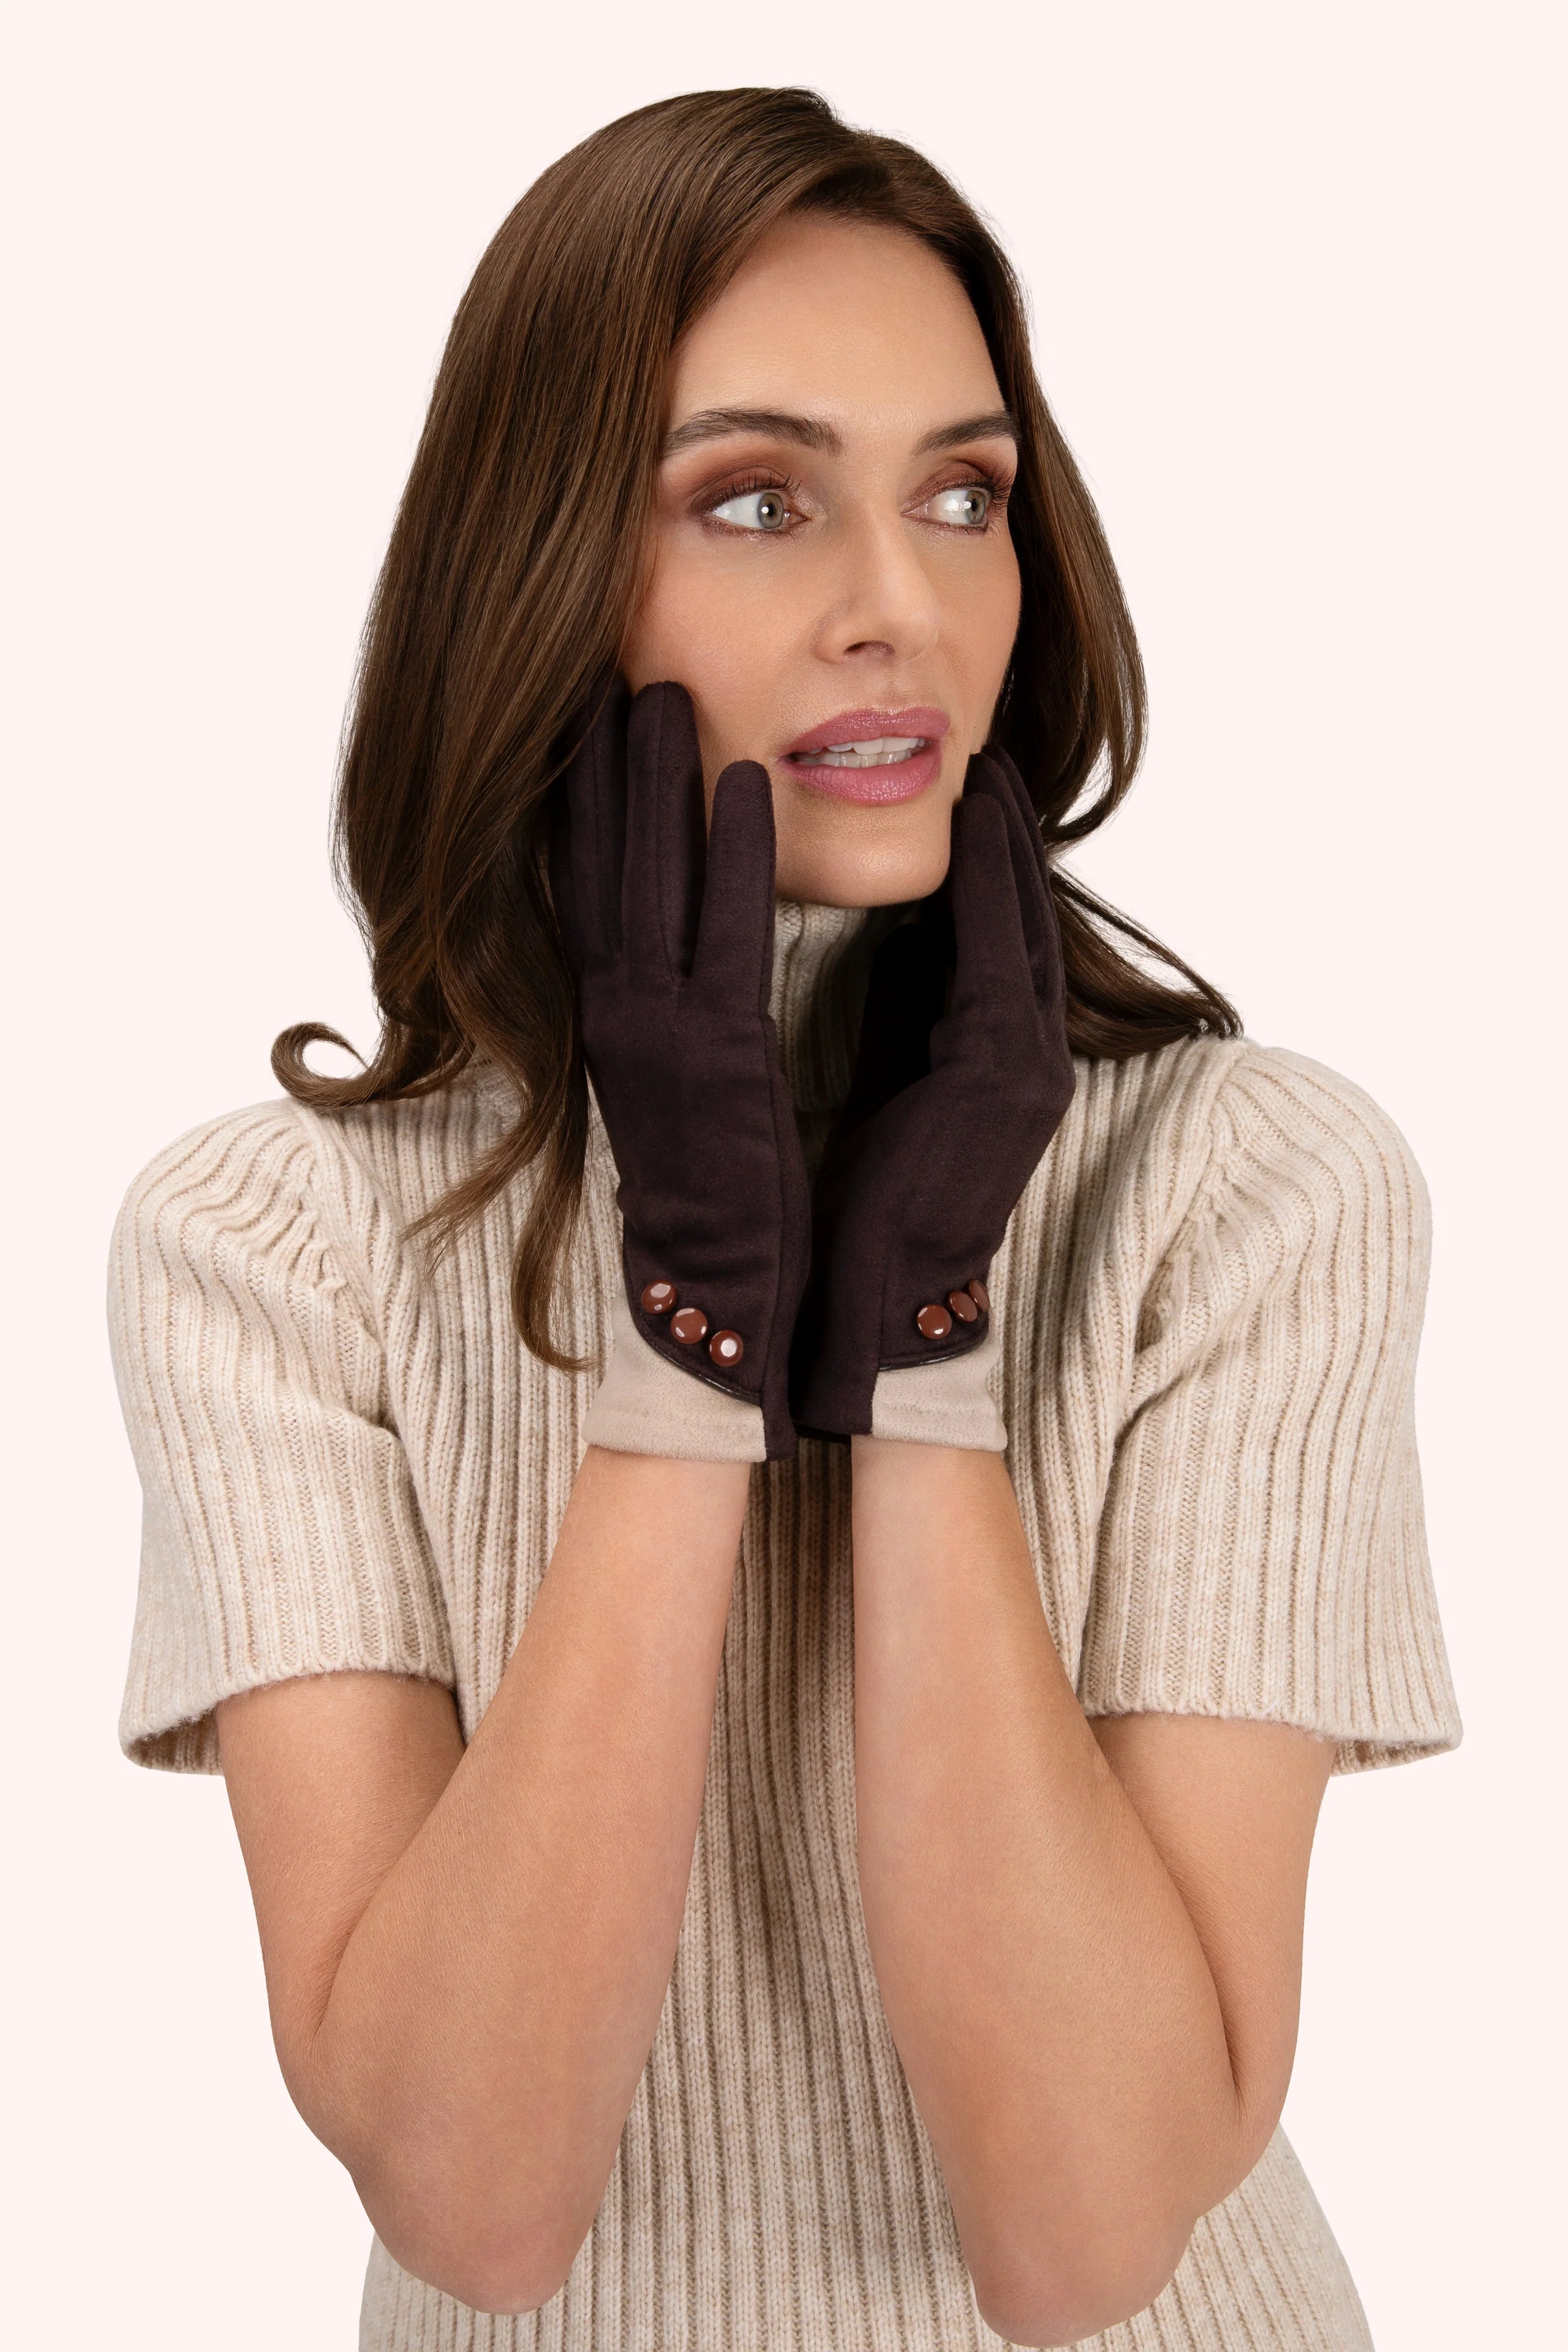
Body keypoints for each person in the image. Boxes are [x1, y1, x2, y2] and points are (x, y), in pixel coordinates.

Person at [107, 86, 1462, 2352]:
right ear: (543, 571)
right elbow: (477, 2202)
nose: (900, 609)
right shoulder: (272, 1249)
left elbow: (1087, 2236)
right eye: (757, 499)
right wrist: (689, 1345)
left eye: (964, 495)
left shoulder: (1247, 1192)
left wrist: (926, 1342)